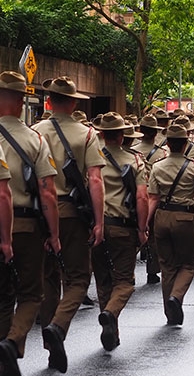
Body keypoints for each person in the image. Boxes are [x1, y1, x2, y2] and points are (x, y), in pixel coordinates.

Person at [33, 76, 105, 374]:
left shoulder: (33, 132)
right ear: (74, 102)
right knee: (77, 279)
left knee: (48, 278)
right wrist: (99, 221)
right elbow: (95, 180)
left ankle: (51, 348)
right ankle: (58, 327)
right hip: (72, 213)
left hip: (39, 211)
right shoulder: (87, 134)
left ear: (48, 101)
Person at [0, 71, 57, 376]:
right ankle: (12, 342)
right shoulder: (35, 139)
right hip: (24, 226)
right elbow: (48, 191)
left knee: (2, 295)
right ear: (23, 99)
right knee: (32, 294)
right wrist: (54, 233)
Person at [91, 112, 148, 348]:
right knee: (124, 282)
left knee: (103, 280)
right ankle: (111, 314)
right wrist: (143, 229)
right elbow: (142, 196)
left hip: (96, 226)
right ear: (123, 135)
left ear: (102, 134)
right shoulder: (135, 161)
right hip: (123, 227)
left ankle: (110, 329)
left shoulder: (91, 160)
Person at [147, 124, 194, 324]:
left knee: (167, 266)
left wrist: (145, 224)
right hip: (184, 218)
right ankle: (176, 297)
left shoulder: (157, 166)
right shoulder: (193, 166)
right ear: (185, 145)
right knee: (187, 265)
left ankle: (170, 312)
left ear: (167, 143)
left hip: (162, 218)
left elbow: (153, 198)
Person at [131, 114, 166, 284]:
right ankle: (152, 270)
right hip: (155, 195)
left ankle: (128, 270)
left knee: (133, 232)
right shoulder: (163, 152)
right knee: (152, 234)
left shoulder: (133, 151)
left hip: (136, 195)